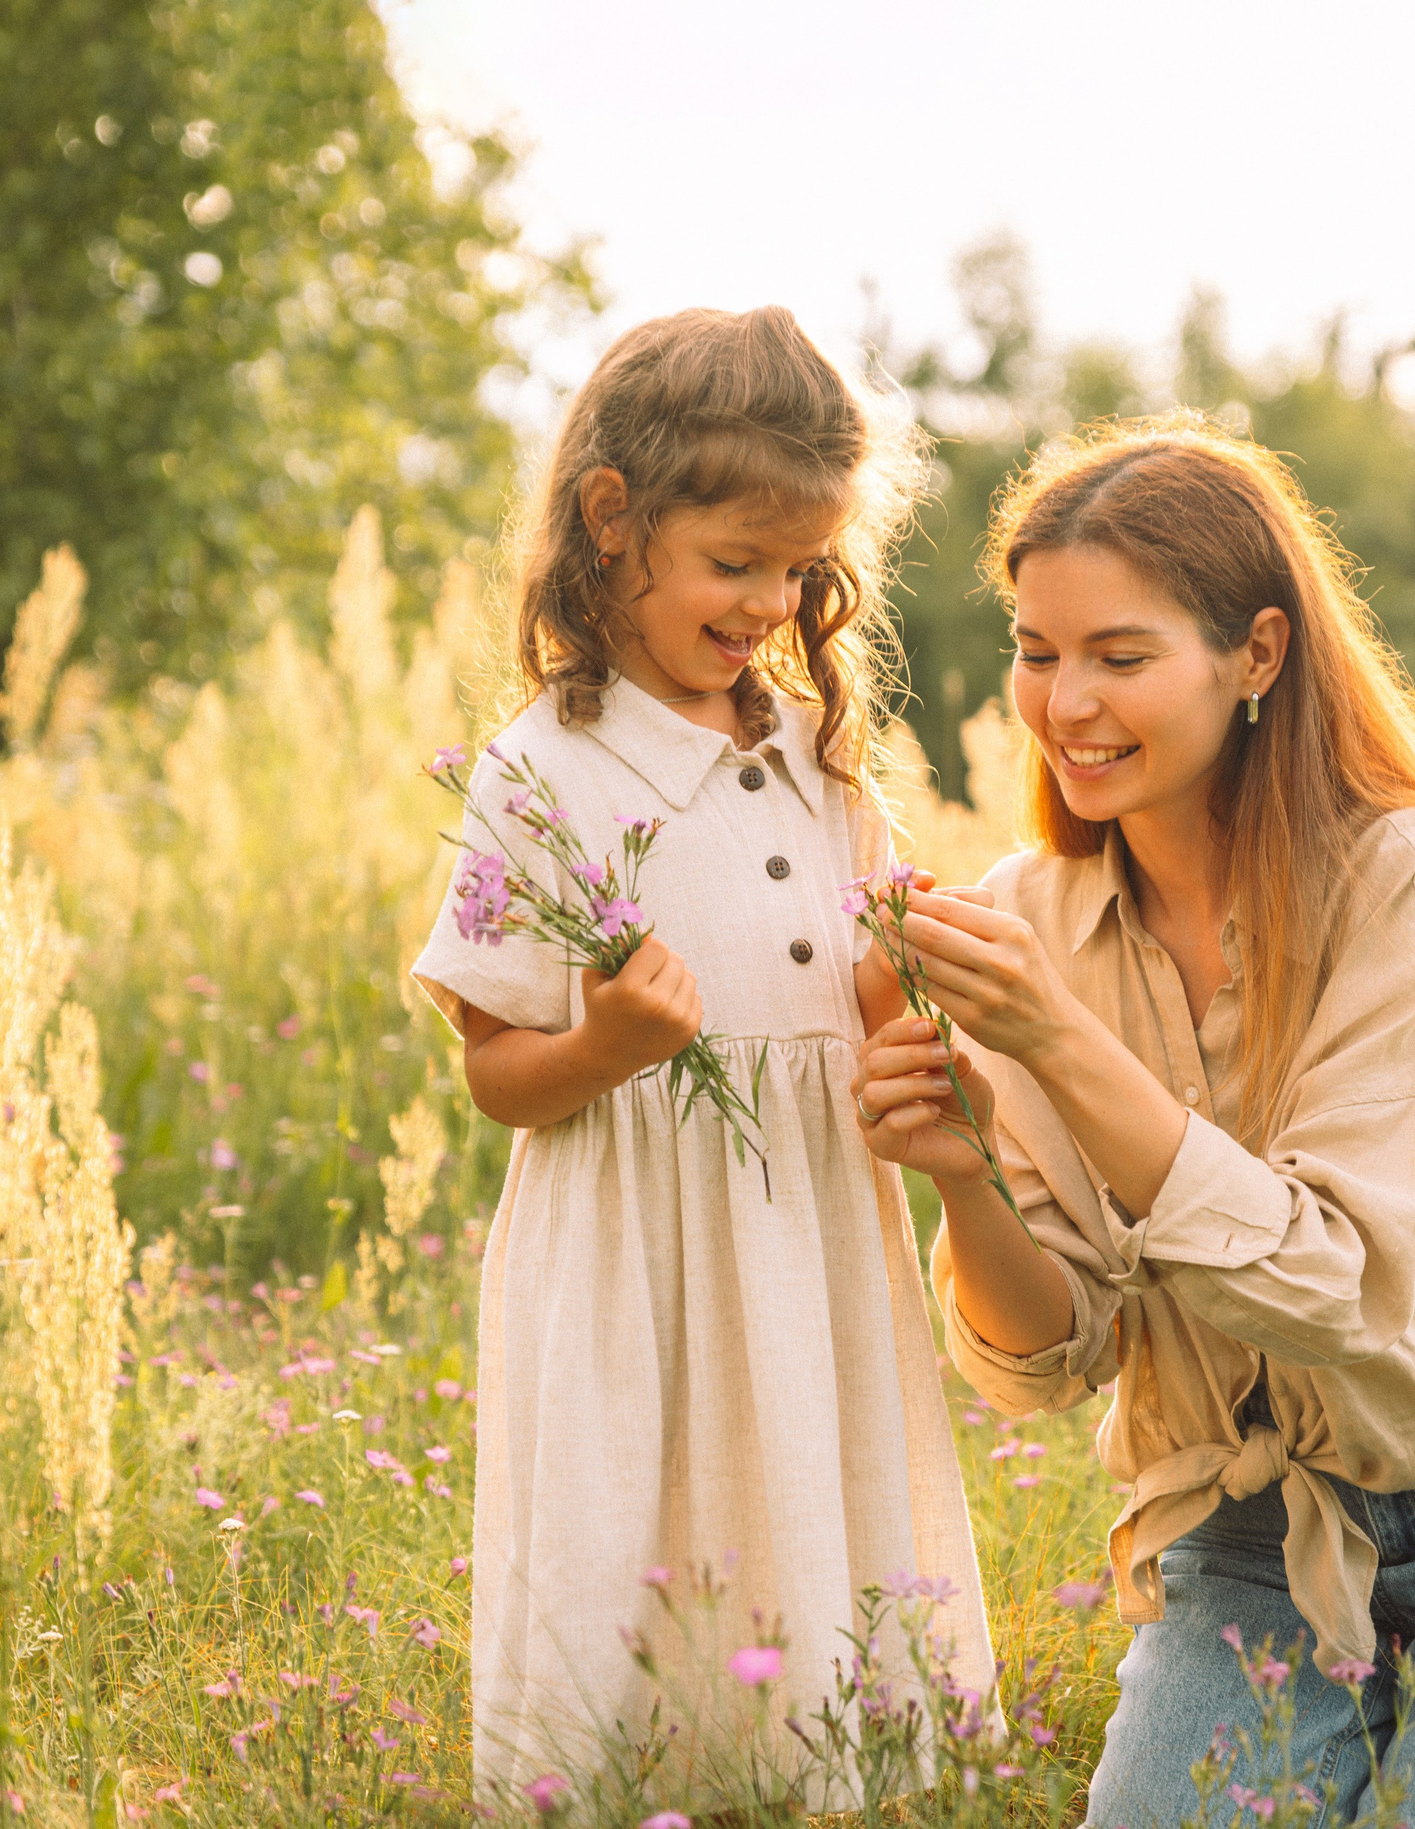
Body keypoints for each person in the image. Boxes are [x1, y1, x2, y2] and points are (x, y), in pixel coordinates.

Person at [851, 417, 1415, 1827]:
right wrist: (964, 1171)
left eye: (1121, 656)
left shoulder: (1404, 876)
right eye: (1037, 651)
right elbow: (1052, 1359)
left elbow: (1329, 1285)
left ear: (1256, 654)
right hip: (1251, 1536)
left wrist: (1053, 1036)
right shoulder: (1022, 918)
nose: (1066, 703)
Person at [411, 306, 991, 1804]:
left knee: (808, 1486)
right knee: (640, 1517)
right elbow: (493, 1068)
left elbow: (856, 998)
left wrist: (898, 983)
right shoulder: (538, 771)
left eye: (799, 570)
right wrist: (606, 1044)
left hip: (813, 1233)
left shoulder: (816, 752)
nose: (772, 604)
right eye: (737, 563)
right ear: (613, 517)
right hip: (633, 1252)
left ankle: (815, 1768)